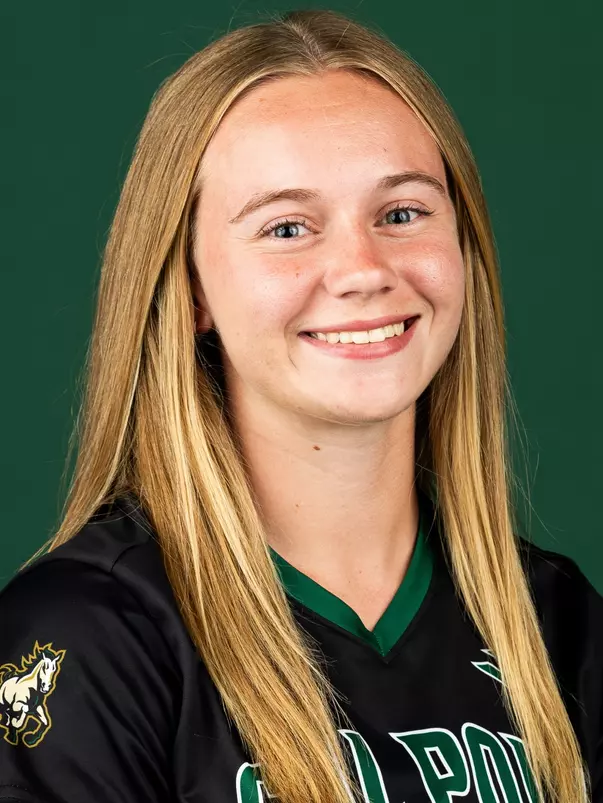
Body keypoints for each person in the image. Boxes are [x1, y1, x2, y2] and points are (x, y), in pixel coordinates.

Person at [0, 8, 601, 803]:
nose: (361, 269)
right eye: (287, 227)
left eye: (401, 213)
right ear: (190, 289)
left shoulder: (557, 622)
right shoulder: (88, 635)